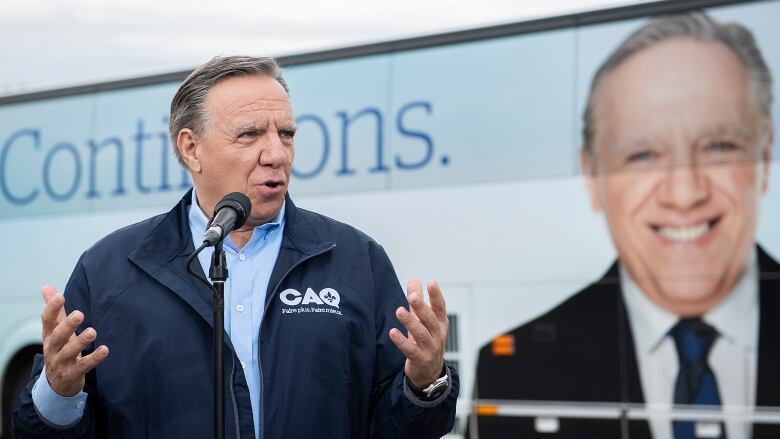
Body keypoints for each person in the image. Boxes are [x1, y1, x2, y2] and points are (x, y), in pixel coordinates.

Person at [12, 56, 458, 438]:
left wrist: (424, 386)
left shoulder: (356, 261)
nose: (277, 154)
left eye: (286, 133)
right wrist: (59, 392)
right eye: (249, 135)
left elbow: (401, 428)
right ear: (191, 149)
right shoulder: (109, 271)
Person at [473, 11, 778, 439]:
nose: (685, 192)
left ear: (765, 156)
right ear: (593, 176)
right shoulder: (514, 372)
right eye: (643, 155)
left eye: (719, 145)